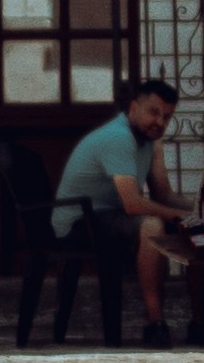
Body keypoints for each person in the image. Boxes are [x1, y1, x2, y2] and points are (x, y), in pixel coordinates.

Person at [43, 77, 180, 344]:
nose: (160, 122)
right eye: (153, 112)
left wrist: (202, 209)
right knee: (152, 225)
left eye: (167, 117)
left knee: (197, 228)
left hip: (108, 216)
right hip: (78, 222)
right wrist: (181, 216)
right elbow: (133, 204)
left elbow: (164, 195)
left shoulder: (150, 140)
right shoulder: (118, 137)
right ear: (133, 108)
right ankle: (155, 322)